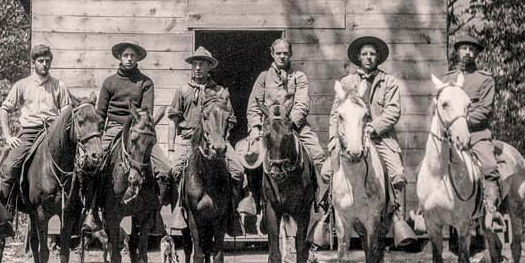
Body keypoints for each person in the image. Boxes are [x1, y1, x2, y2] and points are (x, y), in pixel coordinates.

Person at [325, 36, 411, 233]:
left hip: (381, 138)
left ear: (378, 57)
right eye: (365, 54)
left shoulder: (388, 82)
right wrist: (332, 138)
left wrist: (374, 127)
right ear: (358, 57)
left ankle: (396, 215)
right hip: (350, 137)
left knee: (397, 174)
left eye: (372, 54)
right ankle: (329, 212)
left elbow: (393, 111)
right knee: (327, 171)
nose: (369, 57)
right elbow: (335, 114)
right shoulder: (347, 82)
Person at [86, 41, 171, 226]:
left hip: (138, 130)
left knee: (165, 169)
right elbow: (100, 113)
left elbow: (146, 111)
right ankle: (92, 212)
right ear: (119, 57)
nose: (129, 59)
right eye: (126, 55)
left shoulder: (146, 82)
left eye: (133, 55)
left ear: (138, 58)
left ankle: (155, 213)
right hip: (114, 128)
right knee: (95, 165)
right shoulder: (109, 82)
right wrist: (98, 138)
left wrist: (137, 126)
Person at [166, 46, 246, 237]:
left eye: (203, 63)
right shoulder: (183, 90)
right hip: (188, 140)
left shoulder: (220, 92)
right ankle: (180, 210)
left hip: (216, 139)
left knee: (238, 170)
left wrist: (222, 137)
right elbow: (173, 121)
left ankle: (232, 213)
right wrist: (170, 148)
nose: (198, 67)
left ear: (210, 67)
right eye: (195, 63)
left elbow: (231, 119)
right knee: (174, 170)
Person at [246, 39, 326, 198]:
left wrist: (291, 124)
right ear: (272, 54)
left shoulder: (299, 77)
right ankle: (252, 199)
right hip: (268, 127)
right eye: (278, 53)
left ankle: (322, 198)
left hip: (293, 126)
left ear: (290, 54)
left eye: (285, 53)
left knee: (317, 153)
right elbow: (254, 105)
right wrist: (255, 127)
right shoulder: (263, 77)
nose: (281, 56)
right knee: (249, 156)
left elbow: (301, 104)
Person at [0, 44, 73, 204]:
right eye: (40, 61)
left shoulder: (59, 86)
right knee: (10, 167)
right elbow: (4, 109)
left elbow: (67, 112)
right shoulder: (22, 85)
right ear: (33, 63)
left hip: (52, 134)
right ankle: (3, 212)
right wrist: (8, 136)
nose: (44, 64)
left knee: (77, 166)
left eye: (47, 61)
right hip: (29, 133)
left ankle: (79, 210)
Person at [443, 34, 500, 227]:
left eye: (472, 49)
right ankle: (423, 210)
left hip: (476, 134)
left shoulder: (485, 79)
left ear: (476, 54)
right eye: (464, 48)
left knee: (489, 165)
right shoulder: (447, 78)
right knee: (430, 163)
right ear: (457, 51)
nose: (467, 52)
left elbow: (485, 109)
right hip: (449, 135)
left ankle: (491, 210)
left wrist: (463, 122)